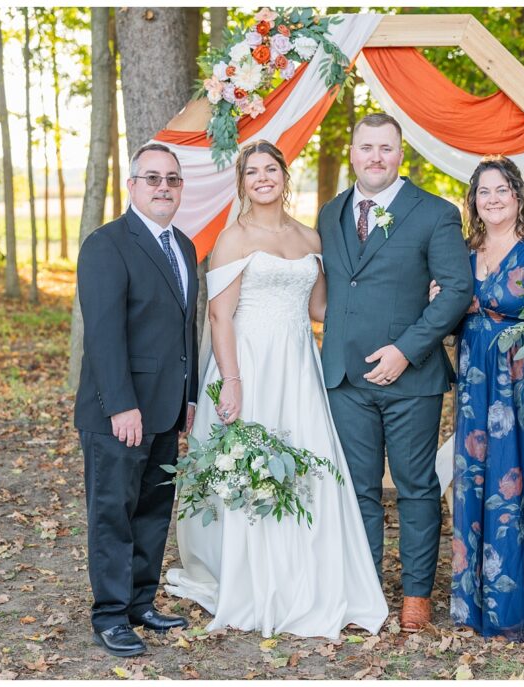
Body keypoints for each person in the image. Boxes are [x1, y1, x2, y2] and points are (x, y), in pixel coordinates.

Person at [164, 140, 388, 639]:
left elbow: (322, 310)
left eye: (271, 169)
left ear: (286, 177)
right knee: (255, 468)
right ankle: (257, 579)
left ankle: (308, 577)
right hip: (249, 363)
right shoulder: (233, 238)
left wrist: (394, 304)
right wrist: (234, 382)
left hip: (298, 365)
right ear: (242, 182)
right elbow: (220, 315)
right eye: (252, 172)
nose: (263, 178)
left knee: (308, 462)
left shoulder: (310, 237)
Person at [317, 113, 474, 631]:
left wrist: (405, 351)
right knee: (358, 489)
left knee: (415, 486)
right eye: (367, 148)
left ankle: (415, 597)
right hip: (345, 379)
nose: (376, 157)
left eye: (386, 148)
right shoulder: (331, 212)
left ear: (400, 154)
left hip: (411, 378)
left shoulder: (434, 213)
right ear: (354, 152)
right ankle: (364, 594)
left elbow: (455, 290)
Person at [74, 143, 199, 657]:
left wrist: (189, 395)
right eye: (152, 178)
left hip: (167, 406)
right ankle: (109, 614)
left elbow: (184, 328)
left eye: (171, 179)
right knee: (112, 512)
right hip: (120, 411)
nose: (163, 187)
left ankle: (140, 602)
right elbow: (102, 335)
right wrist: (121, 405)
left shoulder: (185, 246)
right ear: (132, 185)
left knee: (152, 508)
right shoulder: (107, 244)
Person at [440, 155, 524, 640]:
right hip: (474, 382)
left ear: (518, 195)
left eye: (502, 190)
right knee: (475, 483)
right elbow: (451, 311)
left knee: (522, 485)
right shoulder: (462, 249)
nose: (492, 200)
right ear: (473, 200)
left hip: (521, 382)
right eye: (483, 192)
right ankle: (476, 606)